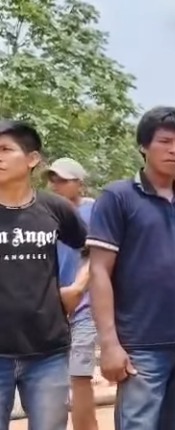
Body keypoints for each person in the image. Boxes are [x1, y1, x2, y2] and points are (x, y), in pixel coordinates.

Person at [87, 107, 175, 430]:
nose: (174, 150)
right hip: (141, 344)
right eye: (165, 141)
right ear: (144, 146)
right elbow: (99, 272)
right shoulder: (118, 197)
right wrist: (109, 343)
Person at [0, 121, 87, 430]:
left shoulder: (55, 208)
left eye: (5, 149)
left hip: (47, 352)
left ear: (32, 159)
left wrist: (77, 287)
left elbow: (94, 249)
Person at [45, 157, 97, 430]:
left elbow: (100, 255)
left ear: (79, 183)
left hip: (86, 305)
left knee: (79, 376)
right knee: (53, 380)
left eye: (63, 180)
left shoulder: (95, 211)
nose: (56, 185)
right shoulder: (43, 212)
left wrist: (78, 288)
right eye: (53, 180)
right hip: (52, 307)